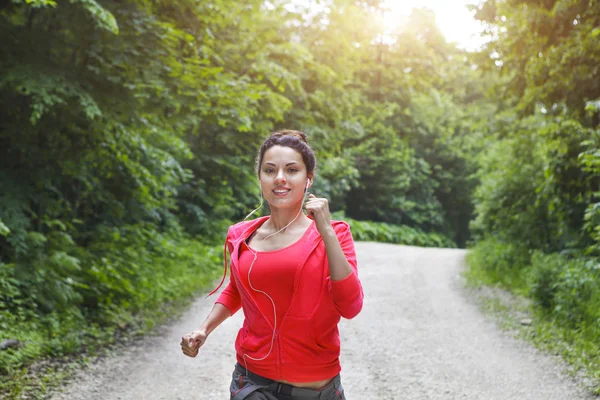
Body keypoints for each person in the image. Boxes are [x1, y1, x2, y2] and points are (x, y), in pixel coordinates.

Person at [180, 130, 364, 400]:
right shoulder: (242, 236)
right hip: (253, 383)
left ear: (308, 179)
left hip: (317, 390)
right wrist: (203, 329)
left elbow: (350, 306)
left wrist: (325, 230)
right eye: (269, 170)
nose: (279, 178)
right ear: (260, 179)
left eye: (291, 170)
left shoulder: (334, 235)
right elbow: (236, 290)